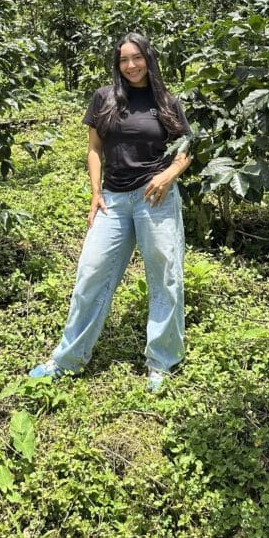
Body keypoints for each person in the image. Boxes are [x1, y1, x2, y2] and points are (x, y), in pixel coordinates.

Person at [29, 32, 192, 393]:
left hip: (155, 197)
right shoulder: (105, 98)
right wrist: (95, 193)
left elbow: (184, 150)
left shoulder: (166, 102)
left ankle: (161, 362)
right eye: (123, 60)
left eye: (137, 57)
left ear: (148, 58)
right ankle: (68, 359)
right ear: (117, 64)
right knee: (90, 272)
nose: (131, 65)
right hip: (114, 200)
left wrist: (168, 175)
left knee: (165, 276)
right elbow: (94, 149)